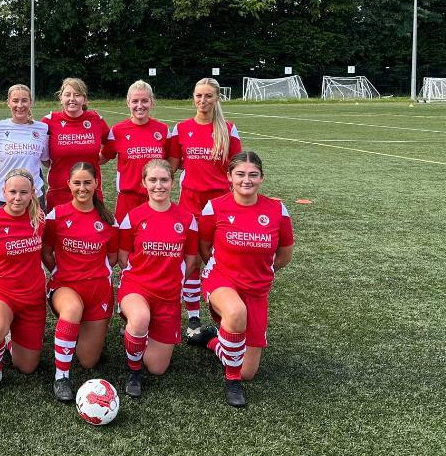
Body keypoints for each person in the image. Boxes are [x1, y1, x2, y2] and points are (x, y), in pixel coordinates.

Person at [191, 151, 294, 408]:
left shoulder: (277, 210)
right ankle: (232, 381)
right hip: (221, 279)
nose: (246, 180)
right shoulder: (215, 207)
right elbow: (204, 247)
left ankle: (213, 340)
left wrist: (263, 272)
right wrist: (219, 268)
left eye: (253, 175)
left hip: (257, 289)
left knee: (249, 371)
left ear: (262, 178)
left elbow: (284, 254)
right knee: (236, 312)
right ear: (229, 177)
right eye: (240, 174)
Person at [167, 77, 242, 338]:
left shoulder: (228, 129)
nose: (203, 100)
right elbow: (171, 166)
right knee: (192, 260)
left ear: (217, 98)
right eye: (199, 95)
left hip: (219, 206)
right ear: (193, 98)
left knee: (220, 259)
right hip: (190, 203)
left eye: (208, 95)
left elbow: (237, 169)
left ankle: (225, 316)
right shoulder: (181, 128)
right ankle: (193, 319)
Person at [117, 159, 199, 398]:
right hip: (137, 288)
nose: (158, 185)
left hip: (168, 296)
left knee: (157, 368)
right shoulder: (133, 217)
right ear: (144, 183)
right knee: (140, 317)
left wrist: (171, 281)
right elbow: (123, 258)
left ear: (172, 182)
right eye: (152, 180)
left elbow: (191, 261)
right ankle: (133, 370)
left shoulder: (187, 219)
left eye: (164, 180)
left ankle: (138, 333)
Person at [42, 162, 119, 402]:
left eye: (87, 182)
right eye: (77, 183)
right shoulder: (57, 215)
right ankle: (61, 376)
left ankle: (76, 332)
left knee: (88, 361)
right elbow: (46, 252)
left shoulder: (108, 220)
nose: (82, 188)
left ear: (96, 183)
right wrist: (61, 272)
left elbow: (112, 258)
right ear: (69, 184)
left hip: (98, 291)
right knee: (73, 308)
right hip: (65, 286)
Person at [0, 169, 46, 397]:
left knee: (27, 367)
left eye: (23, 192)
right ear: (3, 192)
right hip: (1, 293)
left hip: (33, 298)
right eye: (12, 192)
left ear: (33, 193)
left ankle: (9, 340)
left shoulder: (40, 219)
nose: (17, 197)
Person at [102, 80, 172, 222]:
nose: (140, 106)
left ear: (151, 102)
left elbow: (172, 161)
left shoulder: (163, 130)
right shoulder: (117, 131)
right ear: (128, 102)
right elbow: (102, 157)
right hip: (127, 200)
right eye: (135, 101)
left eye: (144, 101)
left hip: (156, 198)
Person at [42, 78, 110, 210]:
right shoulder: (49, 121)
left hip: (90, 191)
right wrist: (50, 162)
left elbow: (111, 143)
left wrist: (99, 158)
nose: (72, 99)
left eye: (77, 95)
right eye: (67, 95)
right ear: (61, 98)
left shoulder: (96, 119)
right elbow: (39, 150)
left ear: (84, 99)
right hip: (58, 192)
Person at [0, 84, 49, 211]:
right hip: (1, 197)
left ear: (31, 102)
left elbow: (46, 161)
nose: (20, 105)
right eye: (15, 101)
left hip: (33, 196)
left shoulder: (42, 128)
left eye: (24, 100)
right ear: (8, 102)